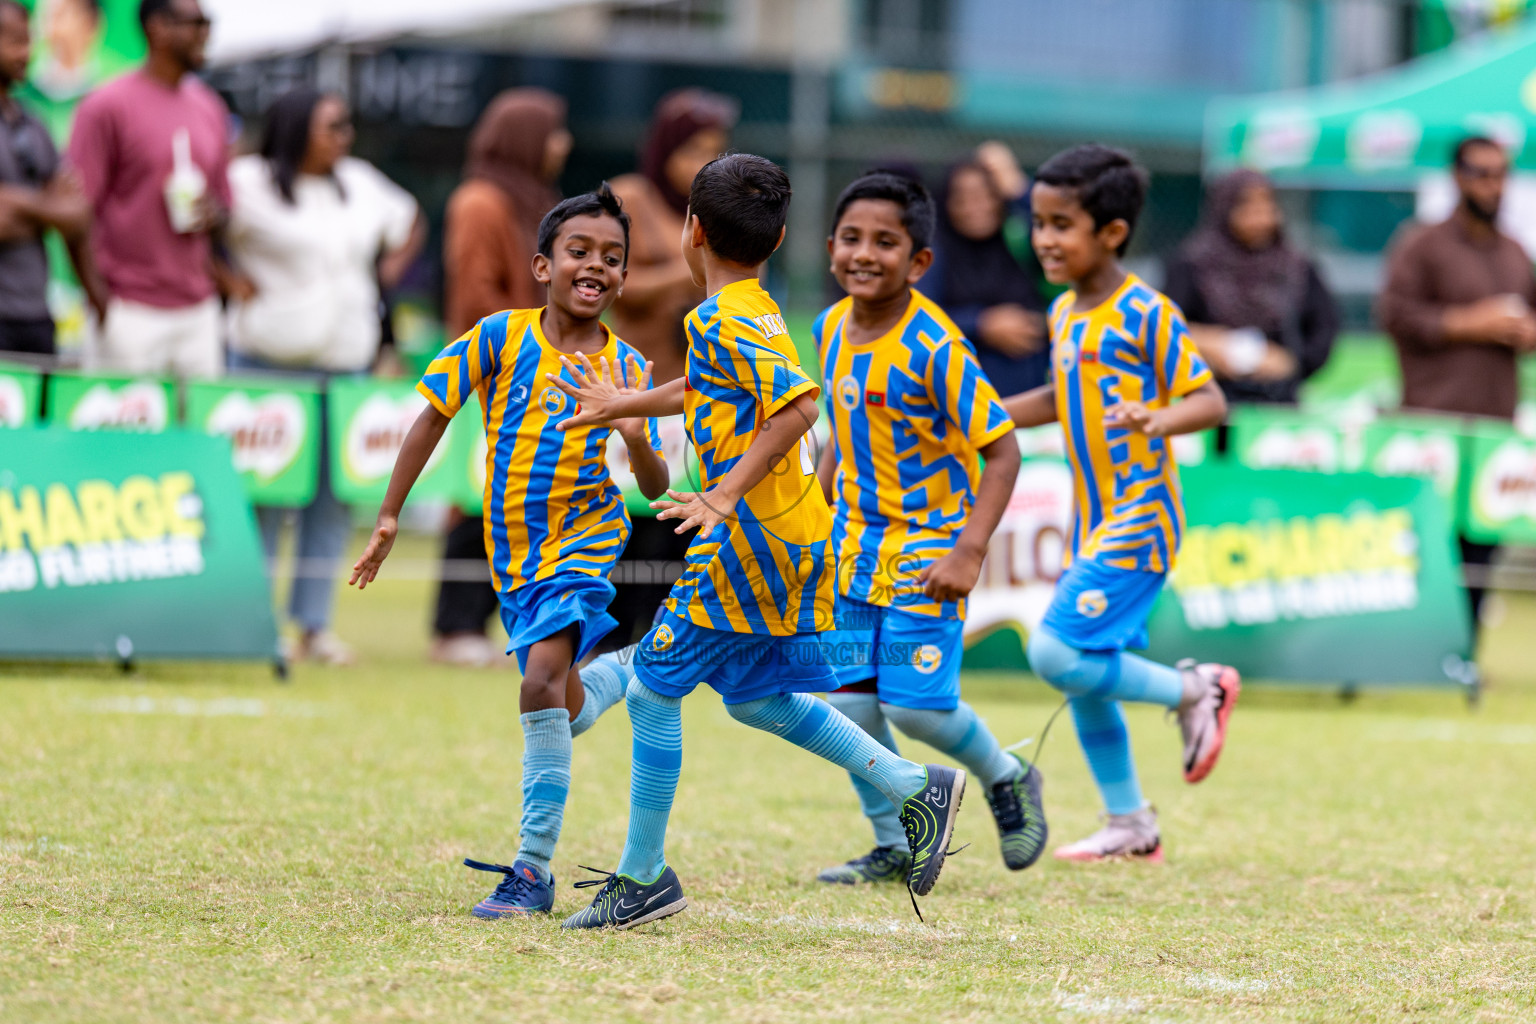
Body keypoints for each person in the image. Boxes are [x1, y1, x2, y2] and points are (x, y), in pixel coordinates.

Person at [550, 154, 964, 931]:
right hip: (792, 535)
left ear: (691, 232)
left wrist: (724, 491)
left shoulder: (719, 318)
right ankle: (915, 788)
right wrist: (625, 403)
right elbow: (720, 384)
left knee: (653, 688)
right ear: (776, 240)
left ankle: (642, 878)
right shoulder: (750, 311)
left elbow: (798, 406)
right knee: (754, 697)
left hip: (753, 540)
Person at [350, 186, 670, 917]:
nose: (596, 266)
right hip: (514, 557)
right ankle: (628, 672)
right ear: (542, 265)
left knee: (536, 689)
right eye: (580, 252)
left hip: (586, 548)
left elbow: (652, 486)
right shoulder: (499, 337)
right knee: (563, 702)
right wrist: (392, 515)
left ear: (623, 277)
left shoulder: (626, 366)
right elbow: (432, 417)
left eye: (613, 258)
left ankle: (531, 870)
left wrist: (631, 429)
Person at [1003, 144, 1240, 862]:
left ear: (1110, 232)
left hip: (1142, 516)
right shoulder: (1067, 312)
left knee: (1054, 650)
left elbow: (1210, 400)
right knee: (1085, 673)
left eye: (1060, 224)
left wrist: (1156, 418)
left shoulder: (1145, 311)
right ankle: (1132, 825)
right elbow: (1058, 396)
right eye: (1039, 222)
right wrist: (976, 417)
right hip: (1092, 520)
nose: (1044, 238)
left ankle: (1194, 689)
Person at [811, 171, 1048, 885]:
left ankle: (1008, 775)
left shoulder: (936, 348)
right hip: (852, 553)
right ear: (830, 249)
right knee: (848, 706)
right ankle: (895, 840)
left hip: (927, 550)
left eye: (887, 242)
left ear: (919, 263)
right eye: (852, 238)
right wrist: (814, 526)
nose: (865, 254)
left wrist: (969, 550)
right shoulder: (828, 329)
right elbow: (839, 435)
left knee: (916, 711)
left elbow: (1002, 447)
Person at [223, 87, 424, 665]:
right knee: (262, 492)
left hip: (344, 363)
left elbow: (409, 219)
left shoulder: (358, 182)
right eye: (332, 125)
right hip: (265, 361)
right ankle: (254, 624)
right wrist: (228, 282)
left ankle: (312, 626)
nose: (345, 136)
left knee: (332, 497)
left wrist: (384, 274)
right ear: (295, 129)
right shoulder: (246, 181)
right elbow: (198, 229)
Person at [432, 88, 572, 668]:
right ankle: (455, 626)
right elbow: (474, 298)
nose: (563, 146)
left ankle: (495, 622)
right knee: (478, 497)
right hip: (498, 374)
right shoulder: (481, 203)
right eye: (553, 134)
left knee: (521, 498)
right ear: (525, 139)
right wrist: (527, 345)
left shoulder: (534, 201)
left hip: (539, 376)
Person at [1378, 135, 1536, 634]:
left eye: (1502, 174)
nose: (1494, 186)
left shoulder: (1514, 252)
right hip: (1433, 422)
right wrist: (1471, 322)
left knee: (1483, 545)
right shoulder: (1421, 244)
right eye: (1483, 174)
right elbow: (1395, 315)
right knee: (1427, 541)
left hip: (1494, 426)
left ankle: (1463, 653)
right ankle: (1416, 647)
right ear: (1458, 177)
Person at [601, 88, 737, 654]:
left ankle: (652, 647)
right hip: (626, 387)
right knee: (615, 518)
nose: (701, 164)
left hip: (683, 393)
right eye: (693, 150)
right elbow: (617, 285)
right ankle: (599, 643)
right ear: (664, 148)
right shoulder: (629, 196)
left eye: (714, 151)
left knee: (669, 521)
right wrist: (696, 268)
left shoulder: (708, 213)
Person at [67, 0, 229, 377]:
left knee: (199, 435)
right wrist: (102, 303)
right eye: (197, 22)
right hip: (130, 309)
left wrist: (214, 212)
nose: (207, 32)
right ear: (157, 28)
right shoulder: (105, 106)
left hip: (198, 311)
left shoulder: (210, 107)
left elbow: (226, 207)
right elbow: (75, 213)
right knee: (124, 434)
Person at [1163, 168, 1339, 405]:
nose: (1261, 219)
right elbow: (1166, 327)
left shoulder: (1295, 267)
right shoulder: (1193, 264)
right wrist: (1211, 345)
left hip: (1278, 402)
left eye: (1267, 207)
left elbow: (1322, 329)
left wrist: (1289, 362)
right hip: (1209, 401)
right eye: (1248, 209)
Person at [0, 0, 89, 356]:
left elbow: (77, 215)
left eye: (30, 40)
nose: (28, 52)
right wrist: (48, 210)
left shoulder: (33, 122)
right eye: (16, 41)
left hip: (37, 315)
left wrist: (16, 204)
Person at [927, 144, 1049, 396]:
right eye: (962, 198)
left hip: (1031, 392)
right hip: (960, 394)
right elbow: (917, 317)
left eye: (987, 195)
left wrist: (1020, 190)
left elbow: (1050, 227)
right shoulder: (932, 254)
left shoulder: (1019, 243)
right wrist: (982, 324)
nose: (975, 207)